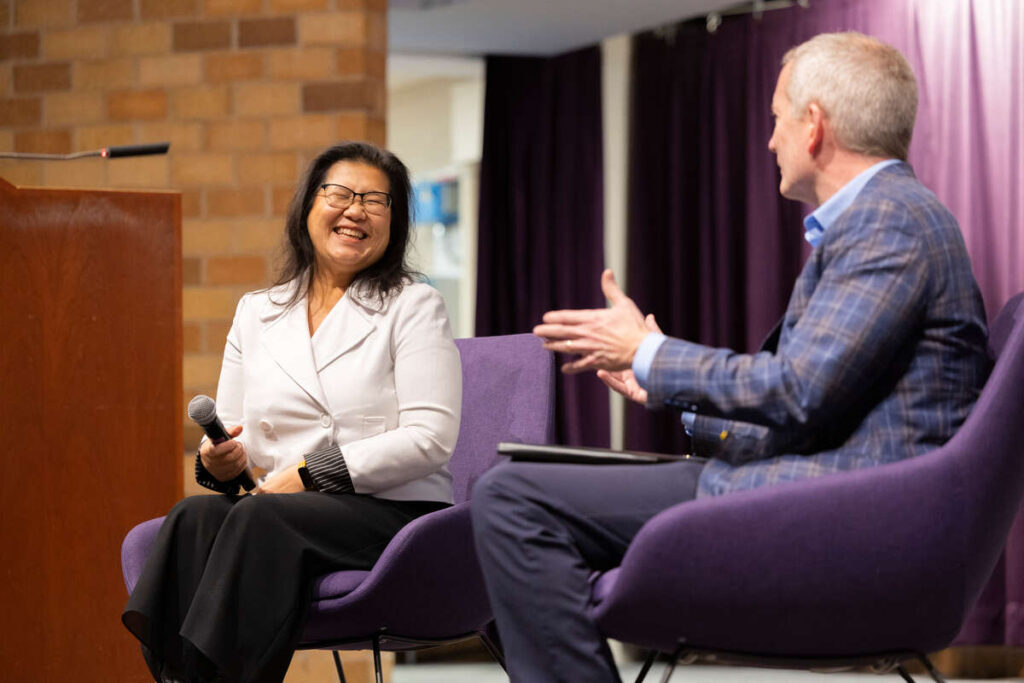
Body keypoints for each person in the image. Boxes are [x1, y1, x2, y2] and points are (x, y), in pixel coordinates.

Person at [471, 32, 989, 682]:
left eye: (775, 119)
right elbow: (814, 406)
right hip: (826, 489)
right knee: (513, 492)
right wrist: (668, 391)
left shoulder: (888, 222)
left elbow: (797, 390)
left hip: (839, 514)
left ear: (813, 125)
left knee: (512, 499)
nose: (769, 139)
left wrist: (652, 351)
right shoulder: (894, 217)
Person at [123, 141, 462, 682]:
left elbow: (430, 438)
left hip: (391, 512)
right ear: (308, 207)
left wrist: (307, 475)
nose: (356, 210)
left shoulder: (413, 304)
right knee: (193, 516)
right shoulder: (258, 311)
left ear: (393, 224)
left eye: (377, 201)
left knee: (262, 517)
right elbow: (233, 434)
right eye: (340, 193)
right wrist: (220, 462)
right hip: (283, 511)